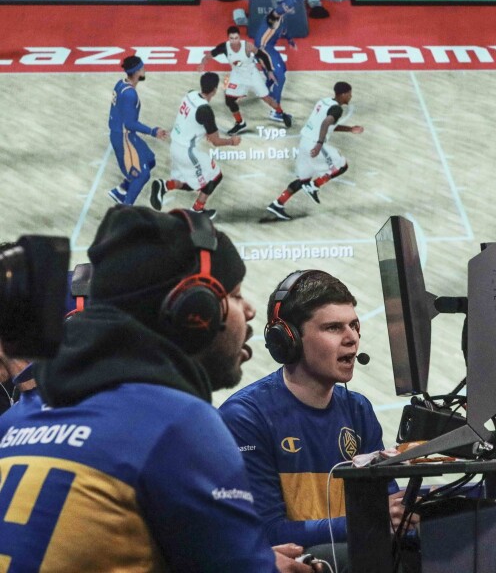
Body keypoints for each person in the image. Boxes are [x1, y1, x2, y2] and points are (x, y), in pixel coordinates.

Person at [0, 205, 311, 572]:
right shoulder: (177, 423)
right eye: (236, 293)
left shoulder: (16, 420)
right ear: (196, 311)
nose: (251, 309)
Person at [219, 270, 412, 569]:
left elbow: (386, 509)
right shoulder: (246, 417)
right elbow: (266, 532)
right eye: (334, 328)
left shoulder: (359, 410)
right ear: (288, 339)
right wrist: (368, 520)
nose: (351, 338)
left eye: (354, 325)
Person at [150, 72, 241, 221]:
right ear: (215, 90)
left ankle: (164, 186)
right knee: (215, 177)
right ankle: (197, 211)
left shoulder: (190, 94)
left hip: (175, 146)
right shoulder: (205, 111)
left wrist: (203, 130)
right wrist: (232, 141)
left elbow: (192, 120)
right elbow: (215, 141)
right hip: (187, 152)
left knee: (191, 183)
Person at [266, 82, 364, 220]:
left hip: (304, 142)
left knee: (302, 179)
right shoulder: (337, 109)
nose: (351, 96)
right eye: (349, 93)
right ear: (343, 94)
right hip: (314, 144)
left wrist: (349, 129)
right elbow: (325, 123)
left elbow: (327, 124)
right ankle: (314, 186)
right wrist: (319, 144)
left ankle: (277, 204)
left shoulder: (323, 102)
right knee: (342, 165)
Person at [199, 25, 293, 135]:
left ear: (239, 37)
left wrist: (270, 71)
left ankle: (281, 113)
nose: (234, 41)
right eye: (231, 38)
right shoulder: (224, 47)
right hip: (237, 75)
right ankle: (240, 123)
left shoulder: (247, 47)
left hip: (252, 74)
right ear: (228, 38)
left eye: (236, 38)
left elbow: (263, 55)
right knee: (229, 100)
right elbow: (212, 53)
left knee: (267, 99)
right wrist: (203, 62)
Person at [107, 55, 169, 205]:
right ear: (136, 72)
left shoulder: (120, 83)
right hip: (124, 138)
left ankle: (121, 190)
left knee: (150, 159)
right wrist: (153, 131)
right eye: (142, 68)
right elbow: (129, 123)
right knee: (143, 175)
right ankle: (125, 210)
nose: (144, 69)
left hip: (123, 133)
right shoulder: (130, 94)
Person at [255, 0, 297, 112]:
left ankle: (264, 90)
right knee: (279, 78)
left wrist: (290, 40)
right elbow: (278, 10)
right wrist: (288, 4)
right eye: (287, 6)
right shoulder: (273, 16)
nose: (290, 8)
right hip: (263, 50)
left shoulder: (282, 19)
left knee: (282, 69)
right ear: (283, 5)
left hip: (269, 48)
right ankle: (276, 109)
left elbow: (283, 32)